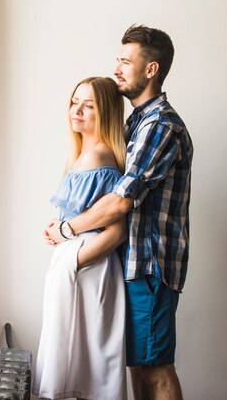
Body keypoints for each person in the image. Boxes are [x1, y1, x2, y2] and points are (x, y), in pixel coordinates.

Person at [44, 25, 193, 400]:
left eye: (126, 61)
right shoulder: (135, 123)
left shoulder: (160, 125)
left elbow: (122, 200)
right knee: (139, 367)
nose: (118, 68)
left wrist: (66, 230)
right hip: (131, 264)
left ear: (151, 69)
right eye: (118, 60)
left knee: (156, 369)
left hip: (151, 264)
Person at [33, 76, 128, 400]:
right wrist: (60, 233)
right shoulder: (82, 156)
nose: (78, 110)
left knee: (89, 366)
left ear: (106, 113)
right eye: (75, 102)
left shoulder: (99, 158)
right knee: (82, 365)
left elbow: (116, 231)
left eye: (89, 105)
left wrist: (72, 260)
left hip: (91, 271)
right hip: (80, 268)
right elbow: (79, 218)